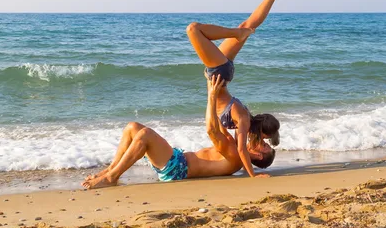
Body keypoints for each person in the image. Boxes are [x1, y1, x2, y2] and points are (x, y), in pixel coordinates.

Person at [81, 75, 275, 189]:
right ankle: (109, 171)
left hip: (177, 168)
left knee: (145, 134)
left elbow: (210, 129)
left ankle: (111, 178)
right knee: (133, 127)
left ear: (258, 154)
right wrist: (214, 90)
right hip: (176, 159)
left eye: (264, 146)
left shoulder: (234, 156)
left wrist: (212, 96)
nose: (261, 141)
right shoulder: (233, 148)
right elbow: (219, 120)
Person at [186, 0, 285, 178]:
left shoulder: (246, 116)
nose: (263, 143)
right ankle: (237, 33)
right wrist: (253, 175)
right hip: (218, 70)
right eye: (266, 140)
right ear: (262, 133)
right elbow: (241, 151)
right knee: (193, 29)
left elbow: (237, 147)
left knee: (247, 25)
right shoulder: (243, 120)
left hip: (223, 70)